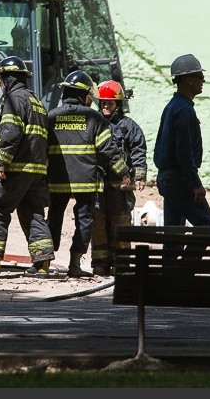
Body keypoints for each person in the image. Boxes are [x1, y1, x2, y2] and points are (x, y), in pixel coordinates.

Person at [0, 56, 56, 275]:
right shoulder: (36, 102)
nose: (0, 84)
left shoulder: (12, 99)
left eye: (1, 80)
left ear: (7, 80)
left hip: (15, 168)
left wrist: (1, 162)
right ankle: (42, 262)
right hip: (36, 170)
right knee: (34, 213)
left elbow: (10, 133)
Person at [46, 70, 131, 278]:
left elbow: (40, 147)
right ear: (85, 95)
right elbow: (108, 149)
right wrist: (123, 172)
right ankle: (75, 264)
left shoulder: (51, 117)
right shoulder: (93, 118)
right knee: (84, 220)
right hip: (86, 181)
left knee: (54, 218)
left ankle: (44, 261)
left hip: (57, 180)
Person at [153, 54, 210, 269]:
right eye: (200, 77)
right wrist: (195, 183)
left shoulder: (173, 107)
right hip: (179, 179)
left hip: (168, 178)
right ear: (188, 79)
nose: (202, 81)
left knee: (174, 231)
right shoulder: (184, 110)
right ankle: (184, 271)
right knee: (206, 225)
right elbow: (184, 152)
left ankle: (169, 276)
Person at [90, 80, 148, 276]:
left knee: (120, 223)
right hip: (97, 184)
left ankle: (121, 263)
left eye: (110, 103)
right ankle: (100, 263)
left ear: (119, 104)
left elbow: (139, 151)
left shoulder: (129, 127)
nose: (106, 107)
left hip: (120, 186)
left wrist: (139, 175)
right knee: (98, 222)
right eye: (103, 103)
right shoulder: (93, 123)